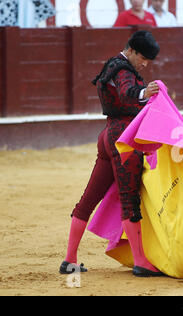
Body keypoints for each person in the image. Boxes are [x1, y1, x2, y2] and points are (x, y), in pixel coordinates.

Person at [60, 30, 162, 278]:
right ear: (133, 51)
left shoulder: (112, 65)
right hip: (124, 139)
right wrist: (143, 94)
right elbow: (128, 92)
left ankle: (69, 260)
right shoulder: (124, 70)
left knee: (88, 199)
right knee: (130, 200)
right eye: (144, 58)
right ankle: (141, 262)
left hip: (108, 135)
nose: (145, 63)